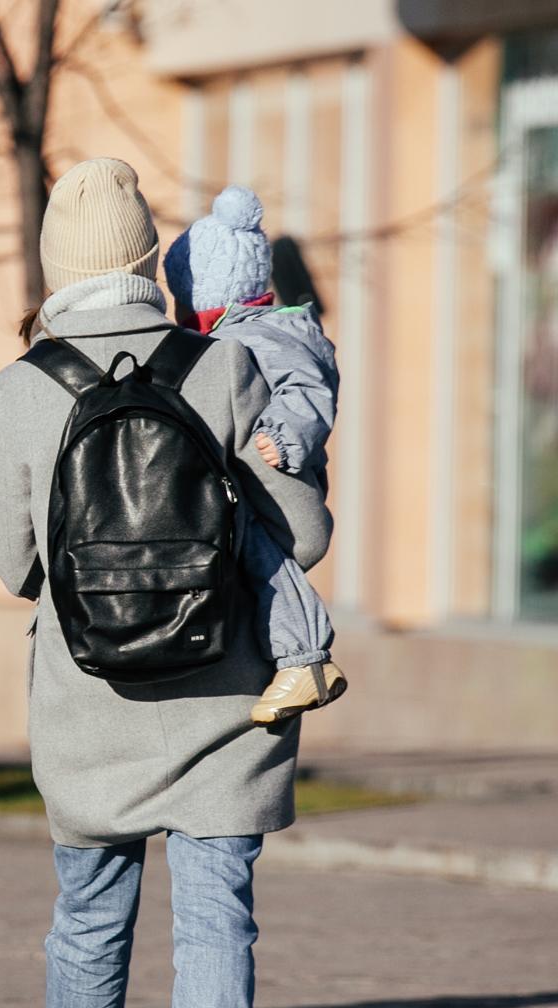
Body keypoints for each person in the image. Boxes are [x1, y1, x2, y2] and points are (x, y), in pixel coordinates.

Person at [0, 158, 333, 1008]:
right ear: (148, 260)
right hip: (224, 704)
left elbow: (16, 569)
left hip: (92, 706)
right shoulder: (219, 365)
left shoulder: (15, 392)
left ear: (54, 268)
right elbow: (305, 535)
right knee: (217, 919)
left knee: (90, 921)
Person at [164, 185, 347, 723]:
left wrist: (282, 434)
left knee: (261, 555)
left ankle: (306, 660)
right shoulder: (252, 331)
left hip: (281, 469)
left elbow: (308, 392)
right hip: (264, 472)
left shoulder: (265, 336)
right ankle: (292, 658)